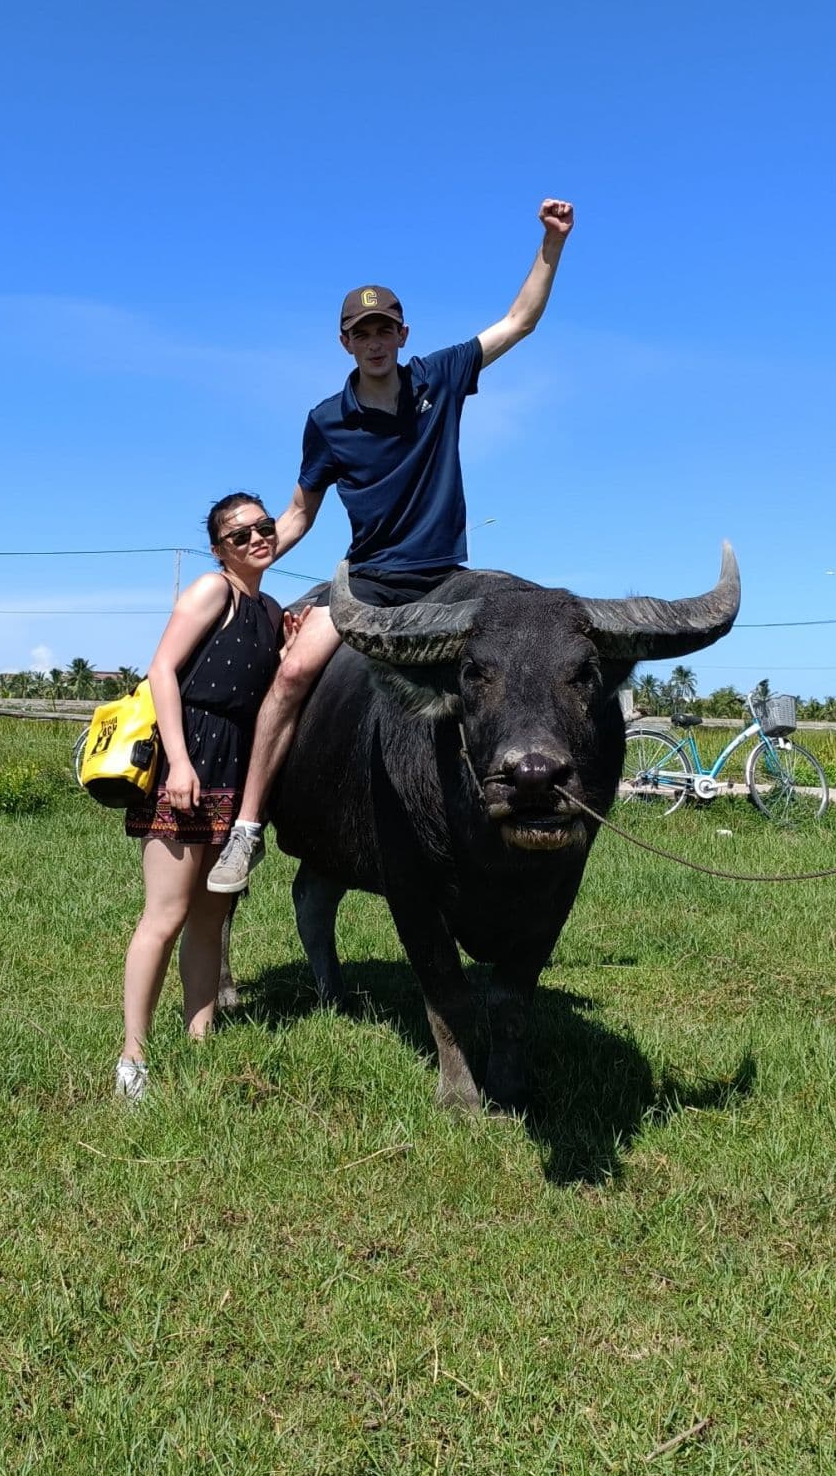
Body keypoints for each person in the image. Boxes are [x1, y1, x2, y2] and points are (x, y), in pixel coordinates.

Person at [207, 197, 575, 895]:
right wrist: (240, 567)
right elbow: (296, 513)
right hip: (371, 584)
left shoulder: (438, 379)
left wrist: (551, 243)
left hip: (448, 583)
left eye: (384, 328)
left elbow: (520, 321)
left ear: (403, 334)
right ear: (345, 342)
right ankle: (248, 829)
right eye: (361, 331)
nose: (374, 341)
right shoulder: (326, 421)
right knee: (288, 678)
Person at [115, 493, 285, 1101]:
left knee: (213, 916)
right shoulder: (212, 591)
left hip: (238, 764)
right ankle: (132, 1057)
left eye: (263, 528)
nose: (256, 539)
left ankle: (200, 1040)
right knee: (165, 915)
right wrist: (180, 763)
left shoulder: (268, 608)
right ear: (219, 549)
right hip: (193, 754)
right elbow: (162, 670)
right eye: (240, 535)